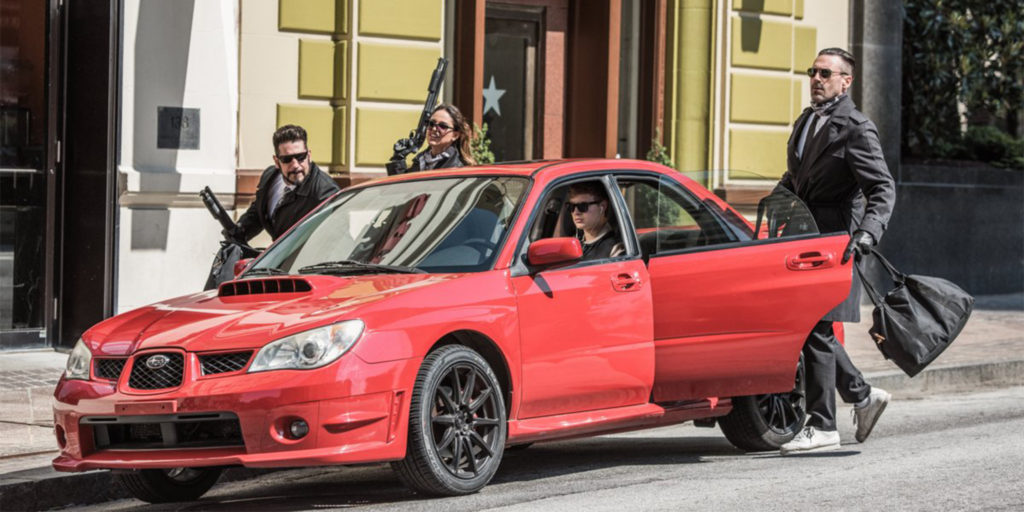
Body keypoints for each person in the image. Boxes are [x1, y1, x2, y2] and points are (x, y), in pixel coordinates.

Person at [776, 48, 896, 455]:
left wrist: (867, 234)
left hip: (837, 240)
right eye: (813, 71)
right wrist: (772, 205)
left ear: (846, 81)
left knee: (816, 325)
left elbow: (882, 188)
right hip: (803, 236)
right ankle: (862, 395)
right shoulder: (806, 120)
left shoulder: (856, 127)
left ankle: (823, 424)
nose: (816, 78)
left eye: (826, 73)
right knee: (812, 325)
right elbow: (796, 178)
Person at [230, 124, 340, 242]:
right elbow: (258, 212)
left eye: (300, 157)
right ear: (277, 162)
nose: (295, 165)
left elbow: (334, 239)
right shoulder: (270, 177)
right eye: (287, 159)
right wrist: (239, 231)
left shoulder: (326, 193)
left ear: (309, 156)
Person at [386, 104, 476, 175]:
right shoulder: (421, 160)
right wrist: (398, 158)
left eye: (443, 126)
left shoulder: (458, 168)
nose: (434, 129)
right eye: (431, 123)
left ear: (455, 135)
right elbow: (402, 188)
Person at [565, 182, 624, 261]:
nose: (576, 212)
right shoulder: (573, 243)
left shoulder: (615, 249)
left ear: (602, 206)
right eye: (571, 206)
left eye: (583, 206)